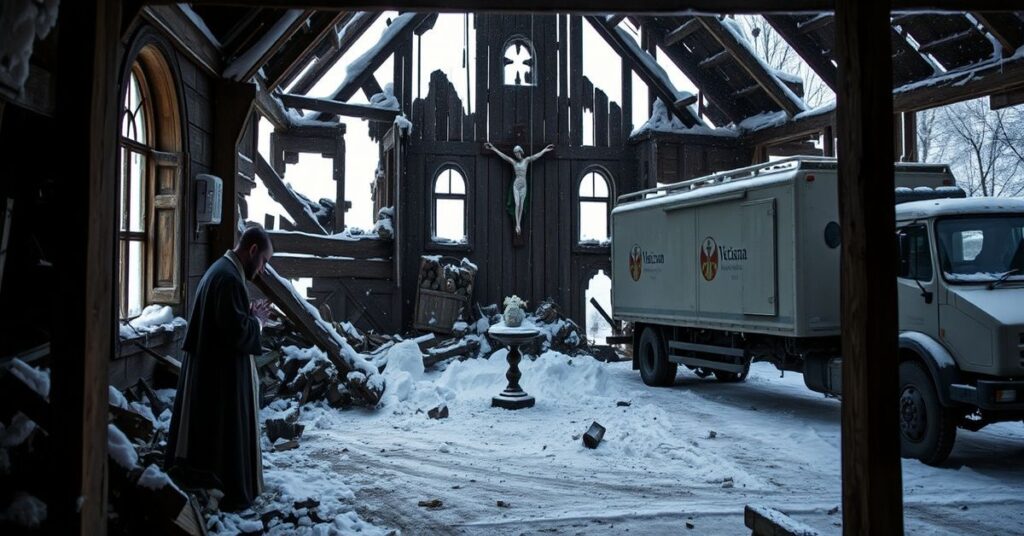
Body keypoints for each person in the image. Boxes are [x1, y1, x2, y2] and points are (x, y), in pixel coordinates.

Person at [166, 226, 274, 511]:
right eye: (264, 260)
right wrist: (258, 322)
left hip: (212, 369)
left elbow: (227, 321)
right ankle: (228, 491)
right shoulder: (228, 279)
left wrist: (248, 315)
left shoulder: (223, 271)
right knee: (219, 438)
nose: (262, 270)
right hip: (216, 376)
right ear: (252, 250)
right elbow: (236, 332)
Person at [483, 141, 555, 235]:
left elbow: (536, 156)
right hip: (516, 185)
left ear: (521, 152)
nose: (516, 155)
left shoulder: (526, 160)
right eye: (515, 153)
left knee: (521, 205)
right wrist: (493, 148)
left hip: (523, 185)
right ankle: (517, 224)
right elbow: (504, 156)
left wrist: (545, 150)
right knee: (517, 204)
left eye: (517, 152)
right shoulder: (514, 162)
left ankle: (519, 223)